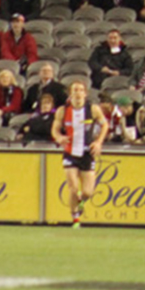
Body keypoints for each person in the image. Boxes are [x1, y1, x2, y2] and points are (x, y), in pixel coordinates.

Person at [52, 80, 108, 227]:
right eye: (75, 90)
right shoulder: (62, 111)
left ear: (85, 93)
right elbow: (55, 129)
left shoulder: (93, 109)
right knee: (73, 188)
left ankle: (81, 202)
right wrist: (59, 138)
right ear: (70, 94)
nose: (77, 93)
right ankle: (75, 216)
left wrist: (99, 142)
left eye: (80, 90)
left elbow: (105, 125)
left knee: (88, 192)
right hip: (70, 153)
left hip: (87, 153)